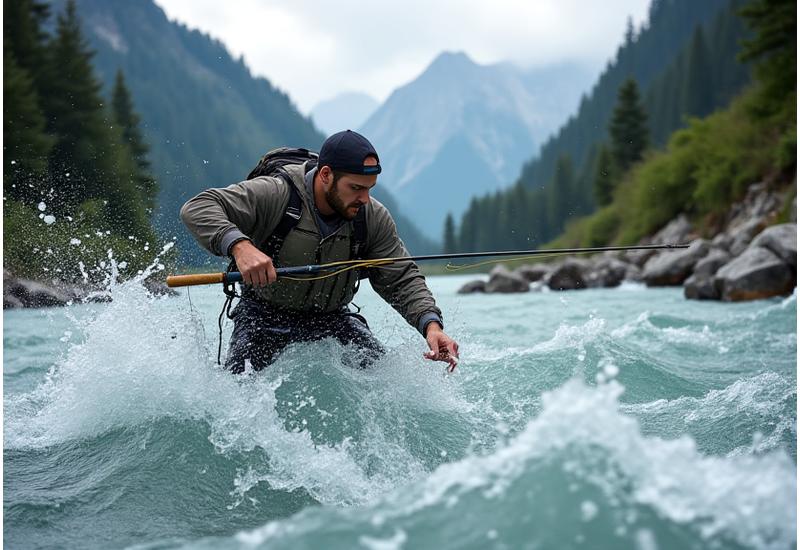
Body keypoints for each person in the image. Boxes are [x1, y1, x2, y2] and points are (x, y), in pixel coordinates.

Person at [180, 130, 459, 373]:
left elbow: (401, 277)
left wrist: (431, 326)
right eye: (355, 188)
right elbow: (198, 207)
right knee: (238, 393)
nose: (364, 199)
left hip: (332, 320)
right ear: (326, 175)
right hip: (262, 316)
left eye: (370, 189)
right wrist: (240, 247)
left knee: (384, 383)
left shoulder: (372, 217)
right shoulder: (275, 193)